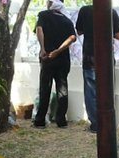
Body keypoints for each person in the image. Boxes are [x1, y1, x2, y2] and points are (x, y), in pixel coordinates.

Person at [75, 4, 119, 133]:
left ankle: (96, 125)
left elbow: (78, 31)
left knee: (91, 93)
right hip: (106, 59)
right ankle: (107, 124)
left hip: (89, 57)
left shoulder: (84, 11)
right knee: (107, 91)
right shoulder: (111, 11)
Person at [33, 0, 76, 128]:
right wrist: (58, 51)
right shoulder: (67, 20)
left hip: (47, 58)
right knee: (62, 89)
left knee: (45, 89)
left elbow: (39, 29)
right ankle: (61, 121)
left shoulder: (43, 15)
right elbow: (72, 38)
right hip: (62, 60)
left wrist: (42, 48)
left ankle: (40, 121)